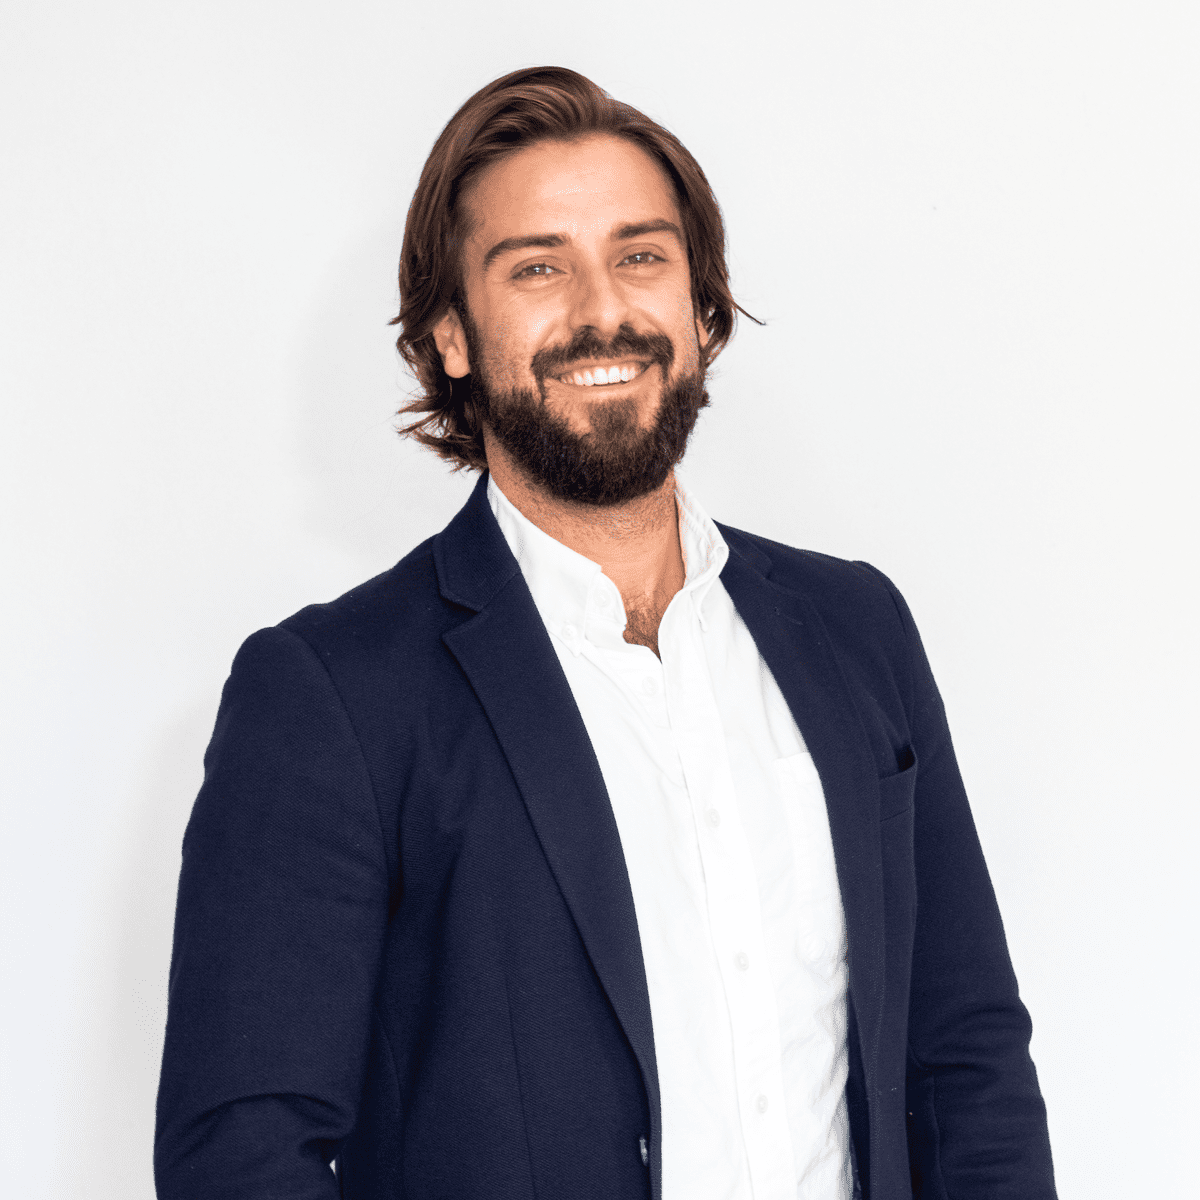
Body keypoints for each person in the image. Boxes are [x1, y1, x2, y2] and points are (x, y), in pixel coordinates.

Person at [153, 66, 1057, 1200]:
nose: (602, 310)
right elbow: (242, 1154)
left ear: (700, 309)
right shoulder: (332, 694)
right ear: (450, 337)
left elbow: (964, 1054)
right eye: (537, 266)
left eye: (641, 256)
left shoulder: (856, 629)